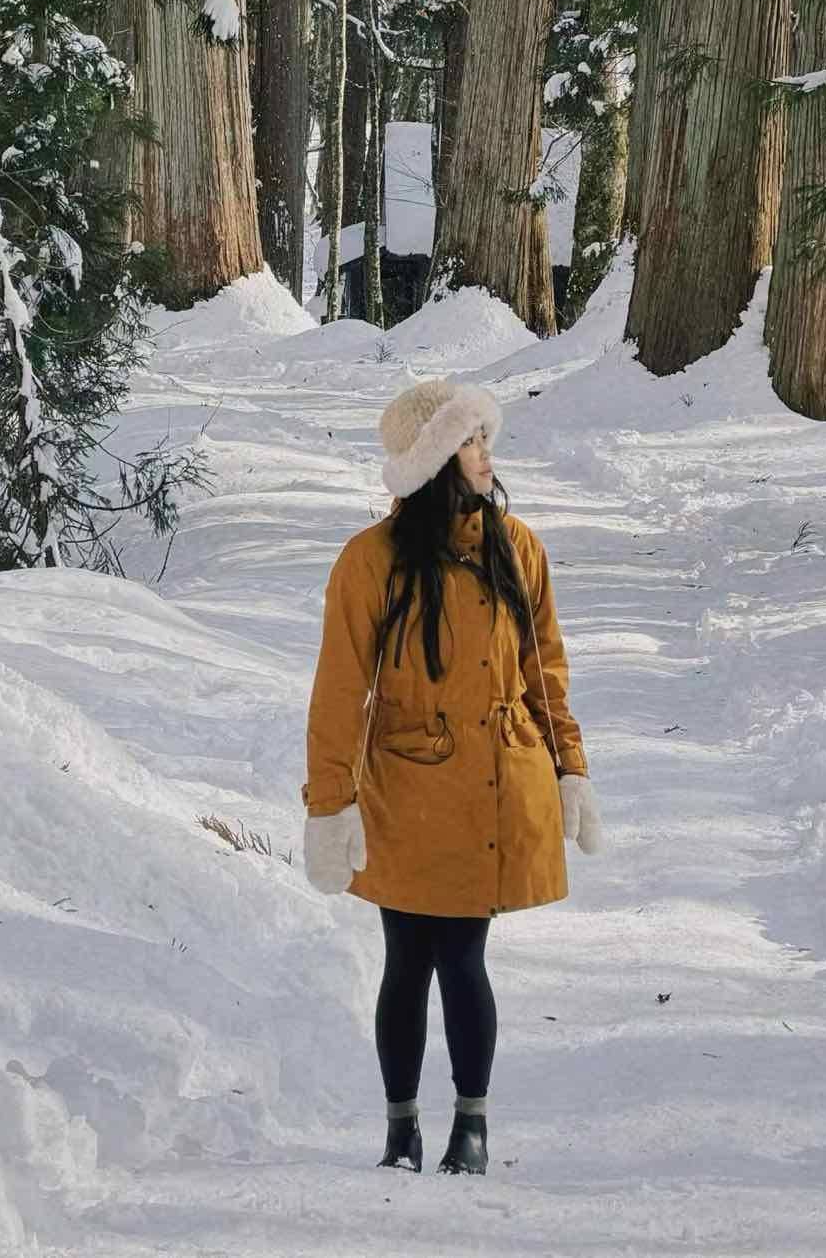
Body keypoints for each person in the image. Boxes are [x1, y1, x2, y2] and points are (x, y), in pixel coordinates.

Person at [301, 374, 603, 1175]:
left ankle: (471, 1125)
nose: (485, 453)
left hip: (496, 787)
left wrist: (571, 765)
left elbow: (547, 676)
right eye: (469, 440)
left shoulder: (518, 547)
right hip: (405, 785)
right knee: (407, 958)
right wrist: (329, 808)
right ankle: (402, 1127)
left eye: (483, 437)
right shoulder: (369, 563)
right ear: (434, 459)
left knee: (463, 955)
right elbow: (339, 692)